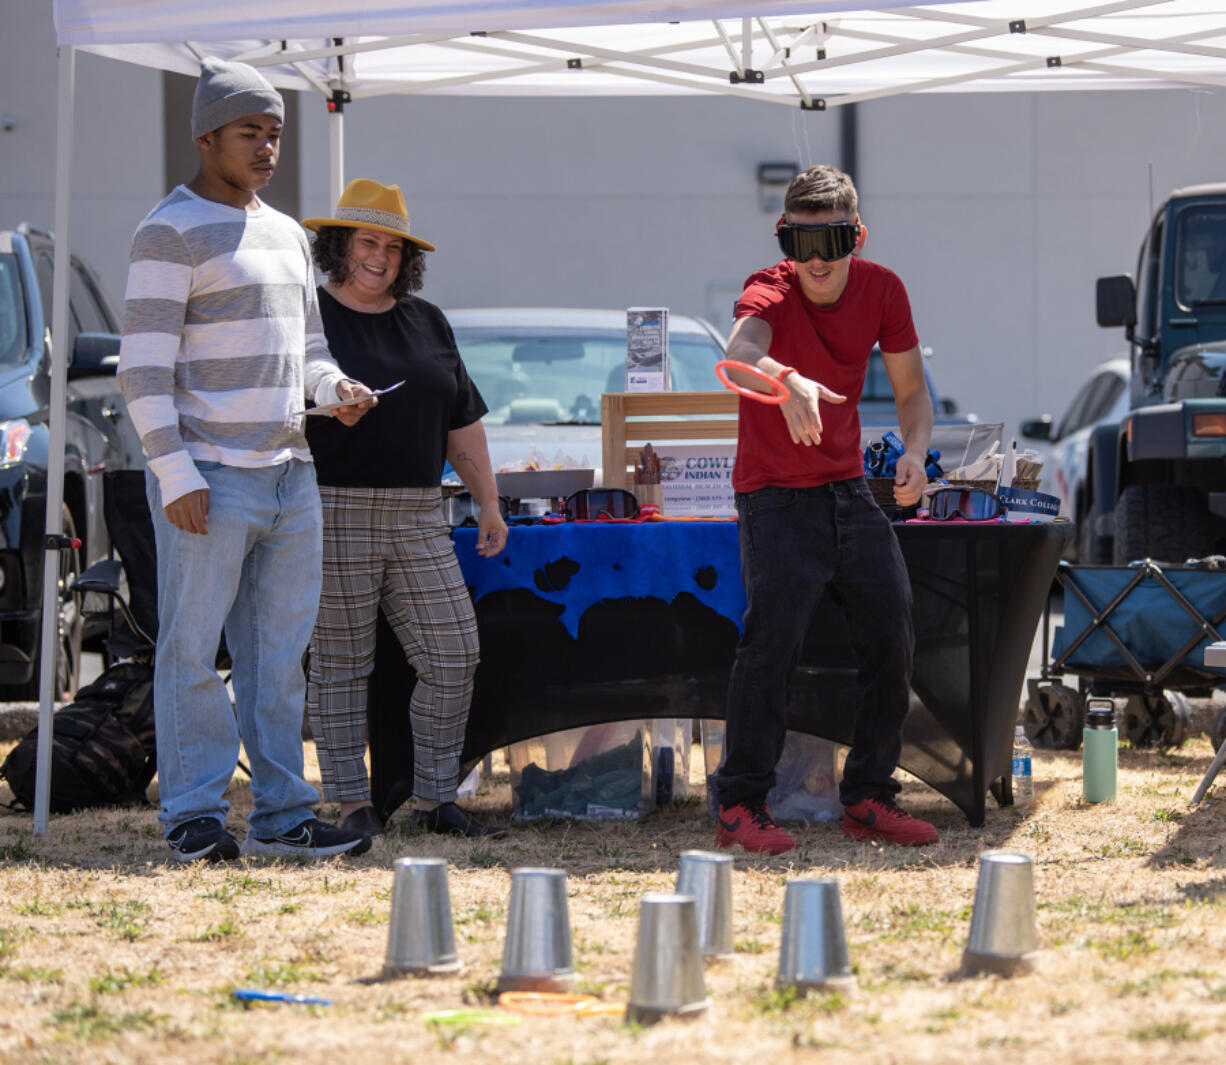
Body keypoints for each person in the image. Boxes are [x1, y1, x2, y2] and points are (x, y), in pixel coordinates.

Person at [118, 58, 378, 863]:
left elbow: (306, 349)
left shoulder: (289, 234)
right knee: (192, 652)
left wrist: (336, 386)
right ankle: (193, 815)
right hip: (210, 477)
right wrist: (176, 474)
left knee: (277, 660)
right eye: (249, 133)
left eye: (274, 133)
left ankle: (281, 815)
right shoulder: (169, 229)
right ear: (206, 137)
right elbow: (142, 372)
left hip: (292, 474)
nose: (267, 147)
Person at [713, 164, 940, 855]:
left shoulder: (884, 289)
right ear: (785, 240)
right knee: (771, 645)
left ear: (857, 237)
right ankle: (739, 803)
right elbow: (737, 355)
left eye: (831, 242)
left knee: (892, 635)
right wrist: (786, 380)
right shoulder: (770, 287)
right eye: (800, 244)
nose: (816, 261)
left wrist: (914, 453)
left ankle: (869, 796)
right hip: (774, 496)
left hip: (847, 491)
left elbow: (911, 393)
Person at [301, 179, 509, 839]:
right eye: (368, 241)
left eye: (393, 246)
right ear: (340, 244)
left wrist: (490, 504)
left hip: (422, 512)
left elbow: (462, 420)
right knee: (341, 664)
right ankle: (352, 803)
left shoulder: (428, 320)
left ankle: (435, 798)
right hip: (330, 508)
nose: (380, 257)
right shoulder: (308, 316)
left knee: (454, 652)